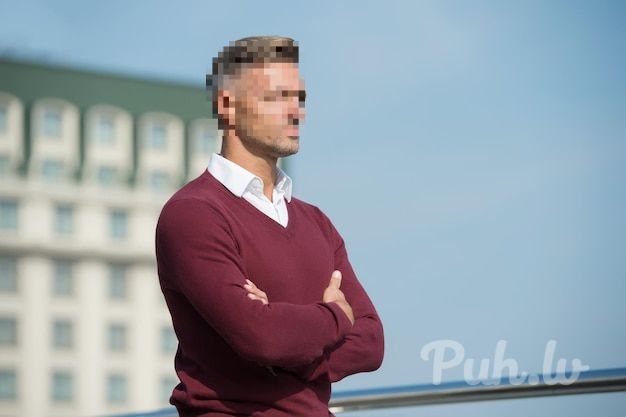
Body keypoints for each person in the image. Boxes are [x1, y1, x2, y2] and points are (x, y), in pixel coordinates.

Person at [155, 36, 384, 417]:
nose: (296, 112)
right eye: (278, 97)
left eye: (300, 98)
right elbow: (261, 338)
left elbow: (371, 341)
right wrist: (335, 316)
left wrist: (287, 347)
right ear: (227, 105)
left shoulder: (316, 222)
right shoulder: (193, 213)